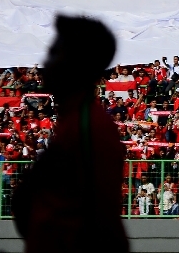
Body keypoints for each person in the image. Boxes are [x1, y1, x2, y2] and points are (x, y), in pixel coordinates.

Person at [11, 15, 128, 253]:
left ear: (76, 64)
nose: (47, 62)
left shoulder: (88, 127)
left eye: (55, 53)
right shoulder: (75, 119)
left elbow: (99, 219)